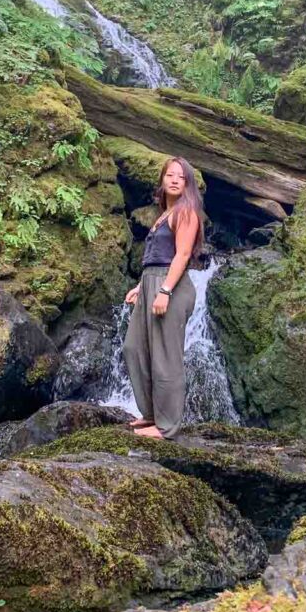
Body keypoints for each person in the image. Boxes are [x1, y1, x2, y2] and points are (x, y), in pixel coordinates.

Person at [122, 156, 204, 439]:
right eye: (169, 175)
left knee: (166, 357)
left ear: (188, 184)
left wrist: (165, 290)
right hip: (151, 282)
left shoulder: (186, 211)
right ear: (162, 180)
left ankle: (167, 425)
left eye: (180, 177)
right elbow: (155, 257)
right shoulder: (162, 216)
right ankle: (151, 414)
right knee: (134, 348)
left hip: (172, 285)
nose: (174, 180)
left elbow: (181, 255)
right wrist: (141, 286)